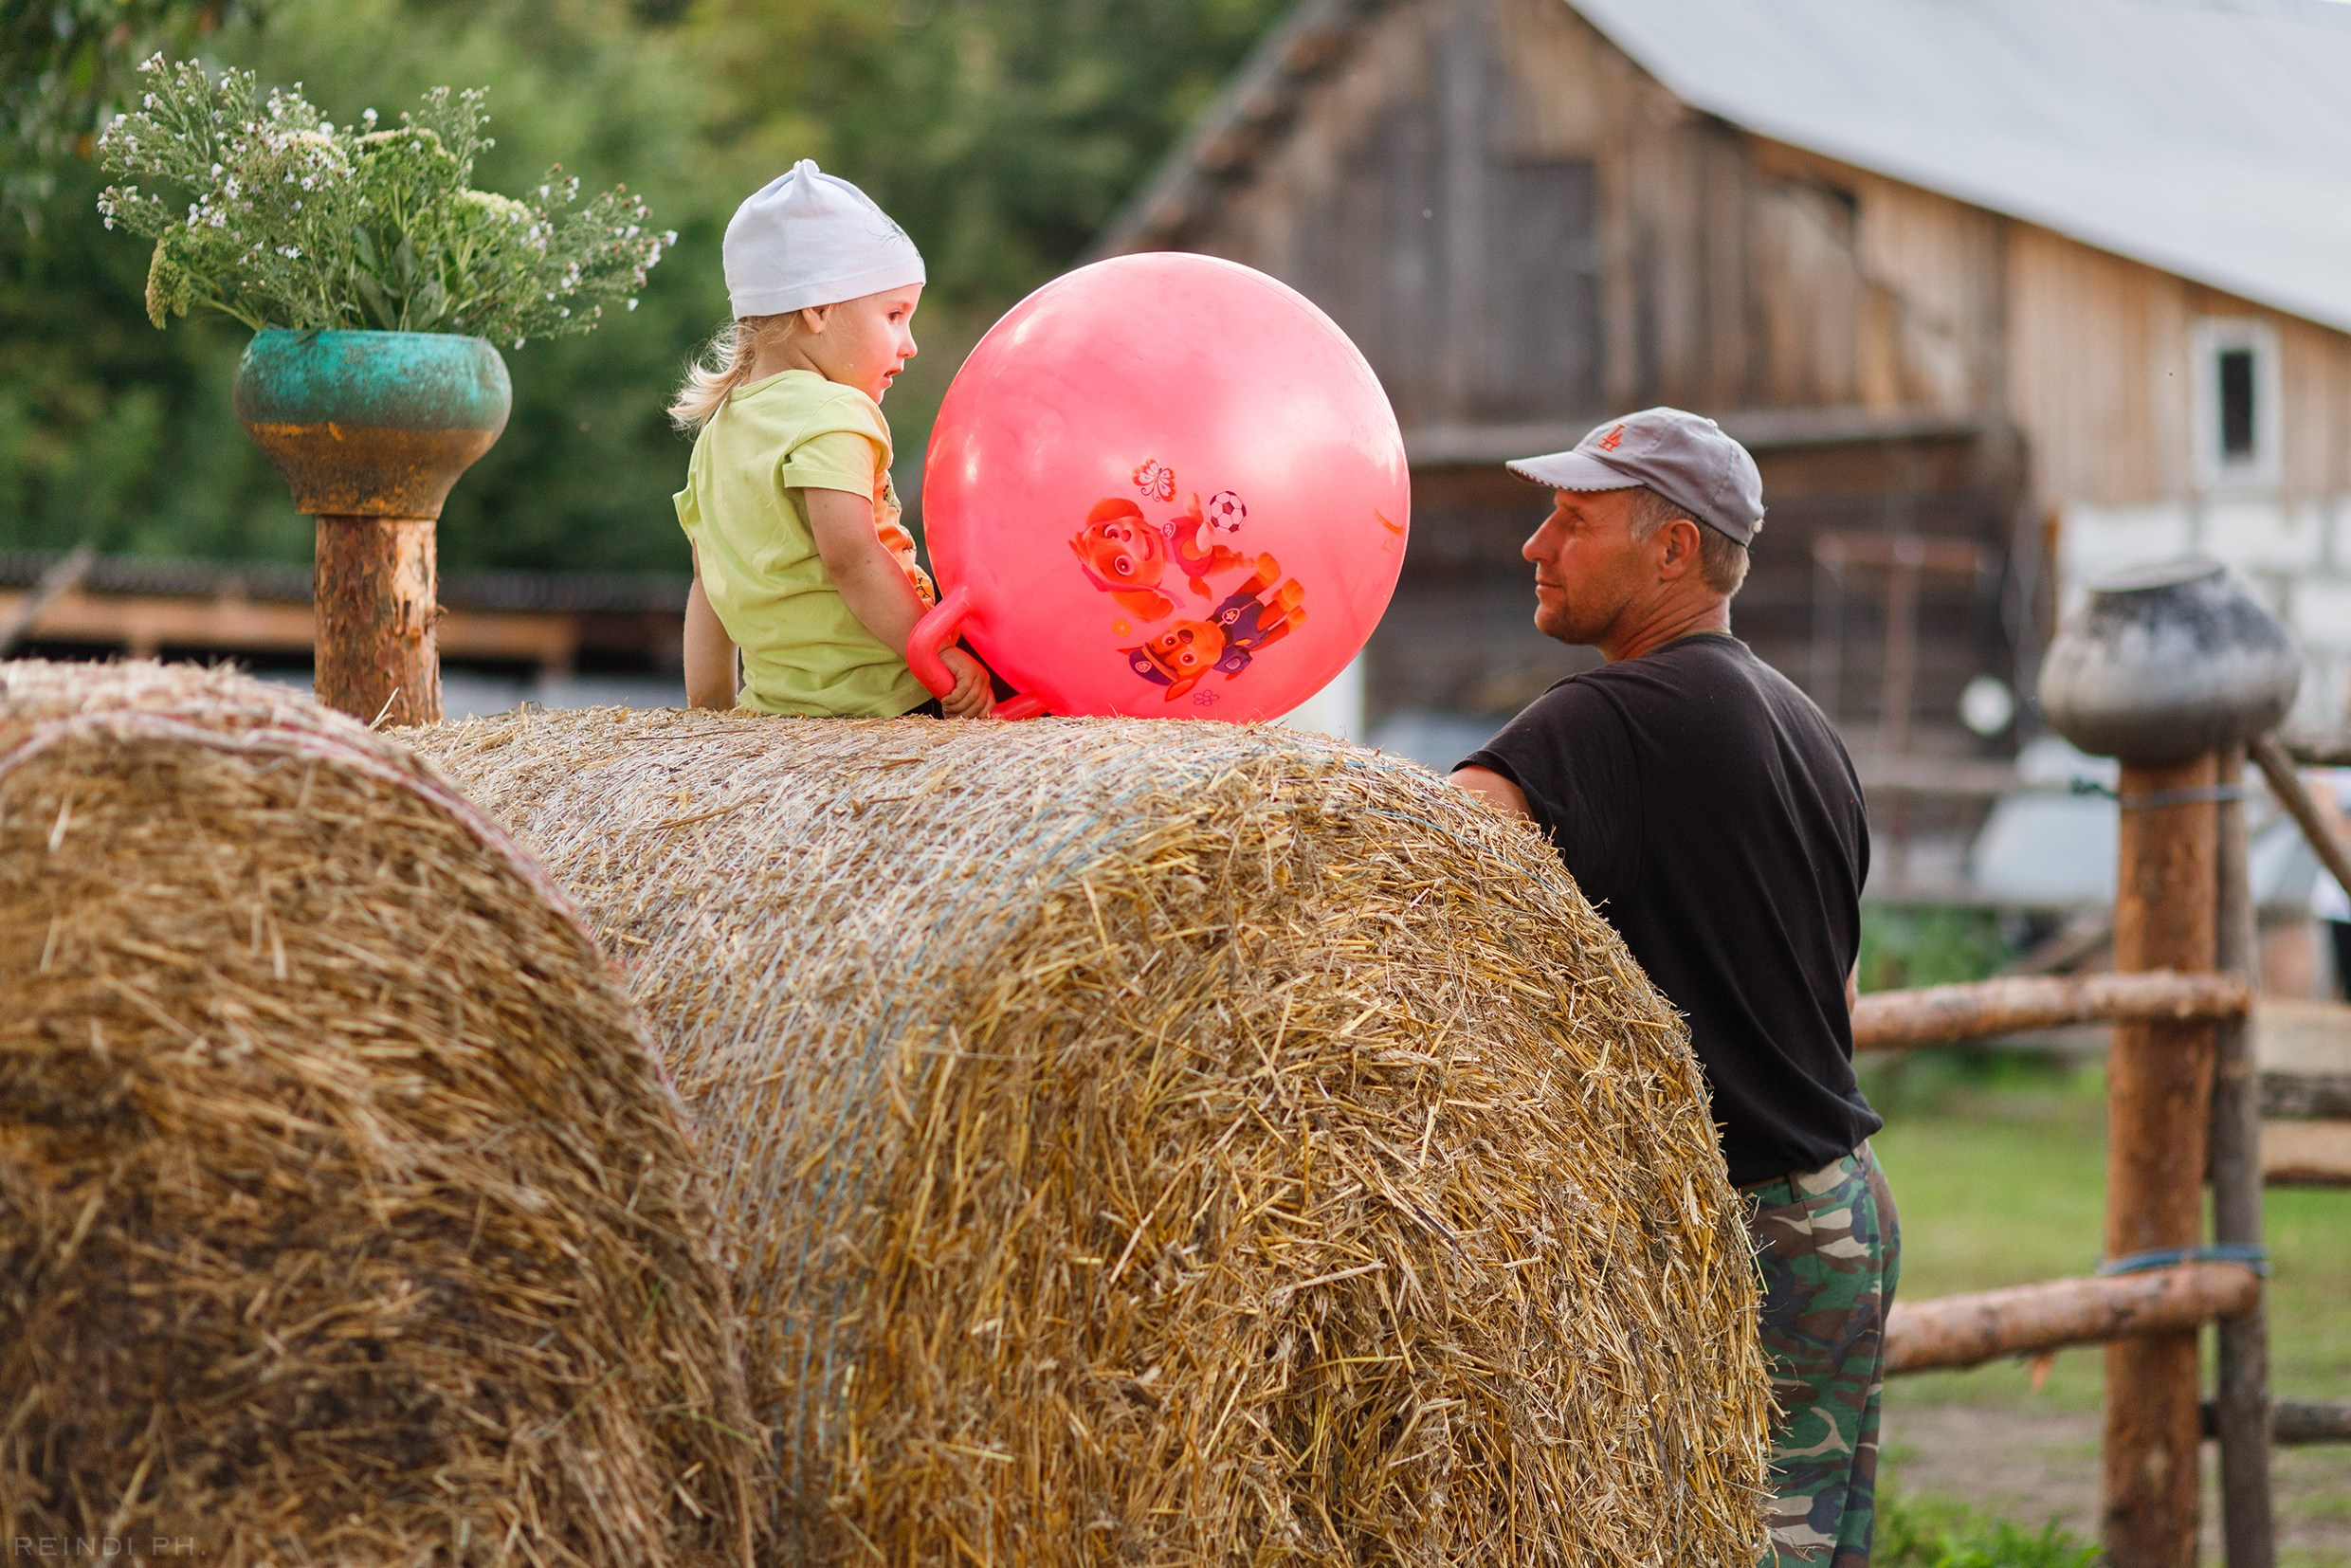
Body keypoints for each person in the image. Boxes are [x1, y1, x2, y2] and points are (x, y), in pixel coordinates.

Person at [1448, 408, 1895, 1568]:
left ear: (1672, 551)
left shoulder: (1604, 723)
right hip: (1839, 1206)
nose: (1534, 545)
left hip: (1735, 1233)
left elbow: (1409, 870)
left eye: (1570, 518)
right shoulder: (1806, 731)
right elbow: (1829, 994)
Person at [669, 159, 994, 719]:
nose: (909, 343)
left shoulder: (717, 434)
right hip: (891, 698)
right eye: (894, 314)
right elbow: (853, 557)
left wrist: (711, 717)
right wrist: (939, 659)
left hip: (777, 713)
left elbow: (707, 587)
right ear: (818, 310)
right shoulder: (834, 412)